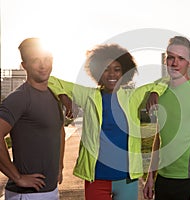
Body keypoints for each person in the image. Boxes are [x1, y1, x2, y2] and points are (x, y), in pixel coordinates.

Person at [48, 43, 166, 200]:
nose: (112, 74)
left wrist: (154, 92)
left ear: (124, 72)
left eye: (117, 69)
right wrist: (63, 96)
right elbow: (50, 80)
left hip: (126, 179)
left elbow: (165, 80)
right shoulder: (87, 95)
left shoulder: (133, 97)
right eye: (106, 69)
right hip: (96, 178)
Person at [143, 36, 190, 200]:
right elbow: (159, 138)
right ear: (165, 60)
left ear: (189, 62)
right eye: (170, 57)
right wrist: (151, 176)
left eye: (181, 58)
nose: (175, 63)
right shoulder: (161, 95)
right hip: (163, 181)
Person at [0, 38, 65, 200]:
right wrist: (18, 178)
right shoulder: (20, 98)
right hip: (26, 195)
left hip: (50, 191)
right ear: (24, 65)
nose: (43, 65)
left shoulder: (53, 96)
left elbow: (59, 131)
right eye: (36, 61)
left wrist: (59, 166)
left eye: (47, 59)